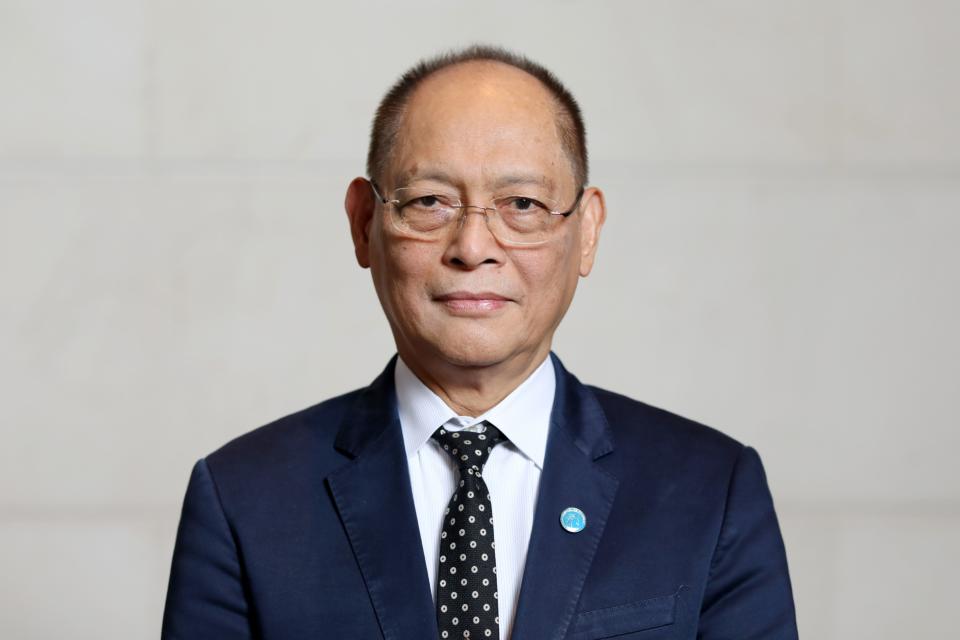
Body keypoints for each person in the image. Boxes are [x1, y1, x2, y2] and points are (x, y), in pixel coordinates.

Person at [162, 45, 798, 640]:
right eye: (431, 201)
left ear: (588, 231)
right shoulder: (245, 499)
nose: (473, 248)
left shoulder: (708, 490)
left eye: (522, 203)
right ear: (364, 225)